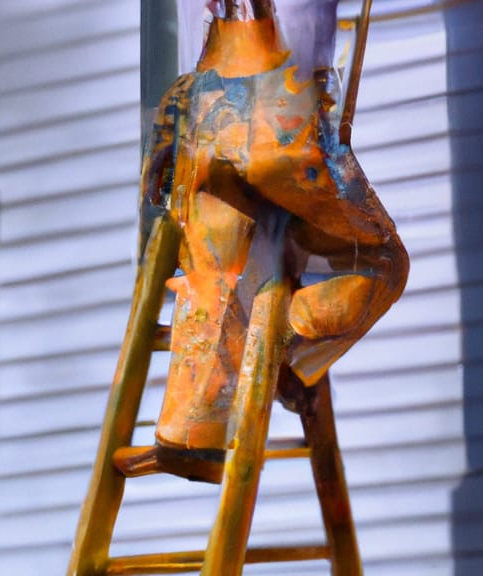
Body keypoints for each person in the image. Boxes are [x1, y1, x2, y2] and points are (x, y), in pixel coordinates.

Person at [117, 0, 408, 483]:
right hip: (279, 112)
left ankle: (191, 434)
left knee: (216, 269)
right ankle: (279, 350)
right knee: (382, 262)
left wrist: (168, 120)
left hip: (200, 110)